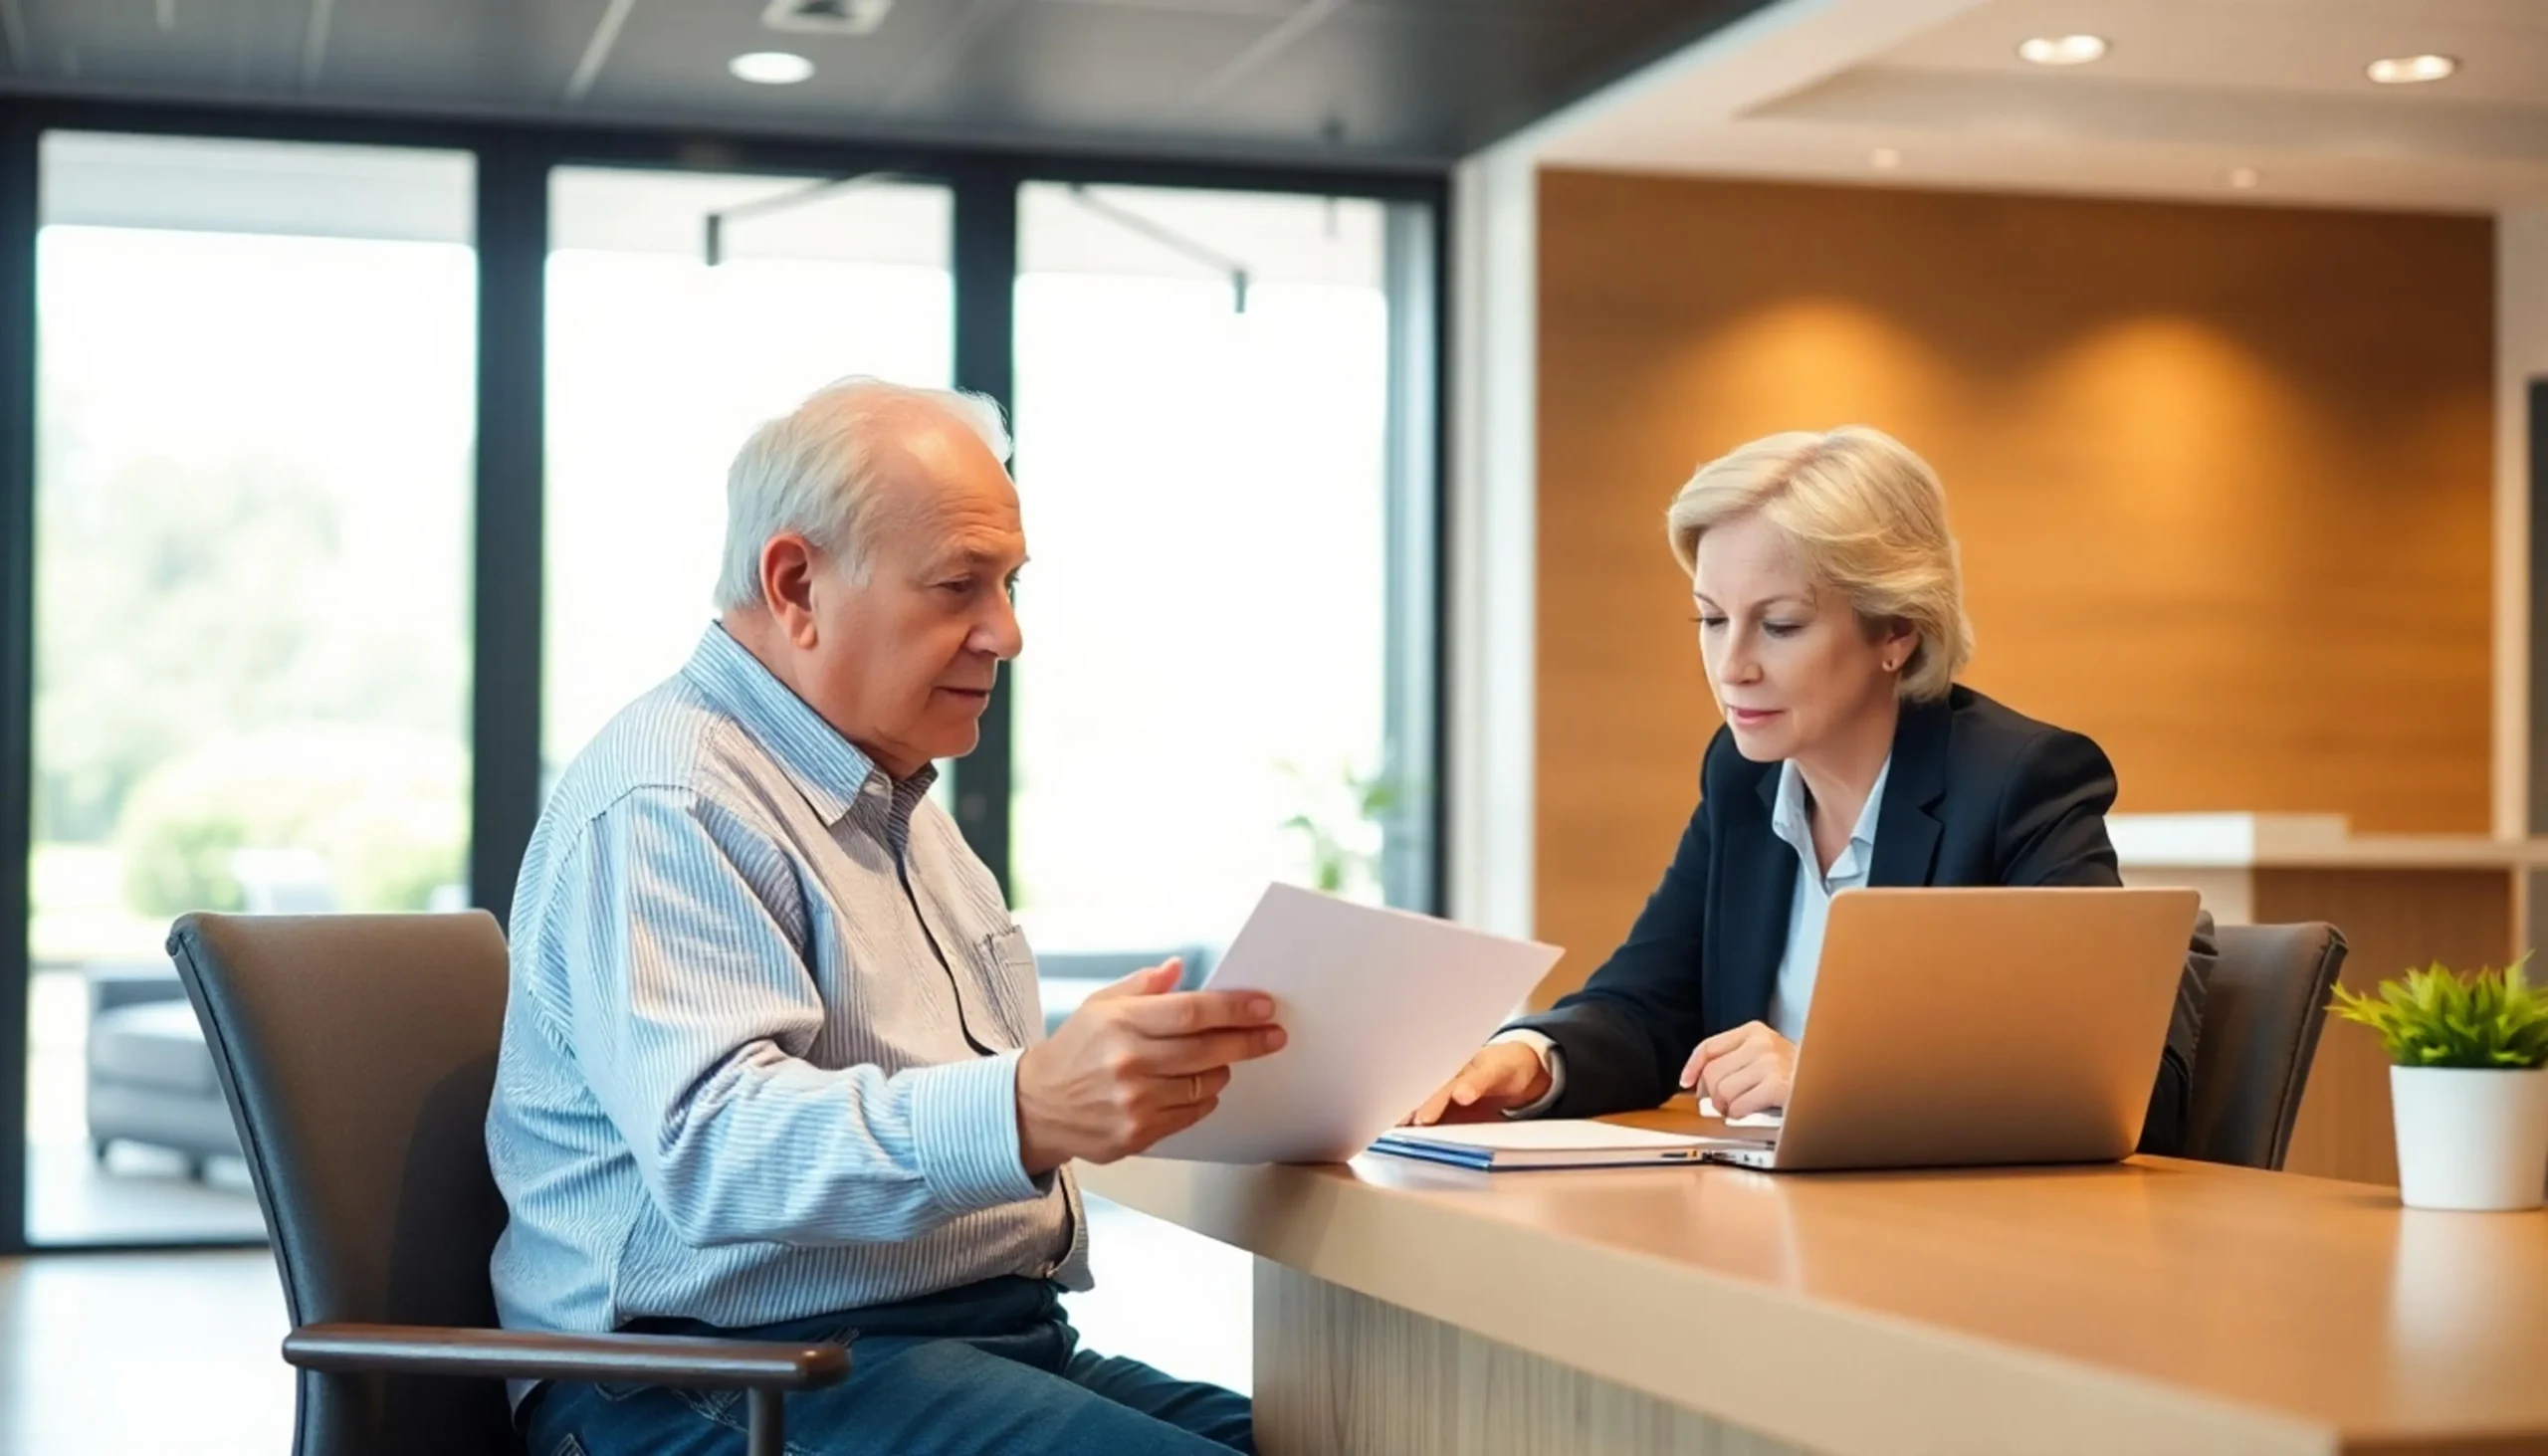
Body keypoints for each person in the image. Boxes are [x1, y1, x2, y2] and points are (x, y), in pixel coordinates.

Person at [486, 377, 1279, 1455]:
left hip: (961, 1340)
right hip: (709, 1377)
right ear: (796, 582)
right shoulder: (671, 797)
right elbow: (717, 1150)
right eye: (959, 585)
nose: (1006, 631)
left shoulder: (900, 804)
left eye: (1008, 584)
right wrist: (1026, 1106)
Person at [1408, 426, 2210, 1146]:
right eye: (1711, 619)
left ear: (1897, 629)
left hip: (1965, 1248)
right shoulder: (1742, 777)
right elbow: (1646, 1007)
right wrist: (1529, 1059)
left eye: (1780, 624)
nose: (1732, 665)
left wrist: (1829, 1075)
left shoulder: (2018, 782)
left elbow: (2120, 1087)